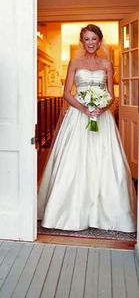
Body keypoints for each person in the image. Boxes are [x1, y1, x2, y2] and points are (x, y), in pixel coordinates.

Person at [38, 24, 137, 233]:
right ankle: (66, 213)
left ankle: (107, 214)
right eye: (87, 39)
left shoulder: (107, 64)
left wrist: (101, 108)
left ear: (99, 41)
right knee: (74, 161)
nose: (91, 43)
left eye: (94, 39)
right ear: (82, 42)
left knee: (105, 161)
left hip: (101, 118)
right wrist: (84, 108)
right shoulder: (75, 63)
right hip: (78, 115)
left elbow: (111, 94)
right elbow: (67, 93)